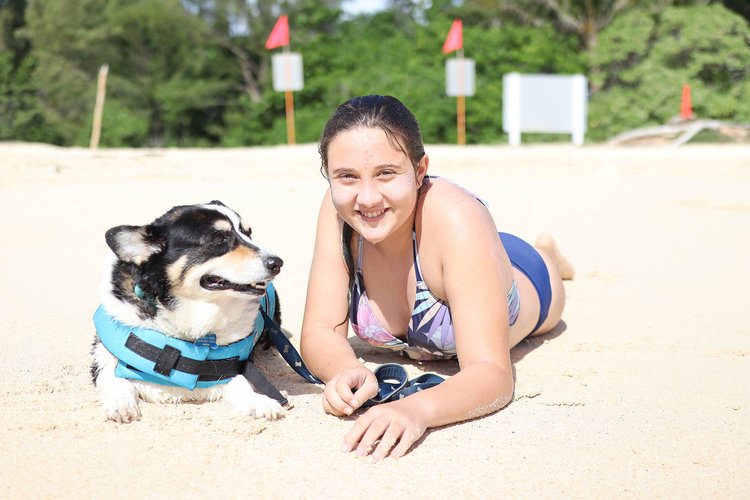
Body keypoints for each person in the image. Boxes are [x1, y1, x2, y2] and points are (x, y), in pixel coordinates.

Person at [299, 95, 574, 461]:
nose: (366, 198)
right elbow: (319, 330)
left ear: (419, 169)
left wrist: (416, 410)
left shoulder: (459, 219)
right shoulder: (339, 214)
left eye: (385, 173)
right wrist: (346, 369)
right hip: (464, 259)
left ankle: (548, 255)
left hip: (526, 278)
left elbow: (493, 375)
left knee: (543, 269)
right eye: (347, 176)